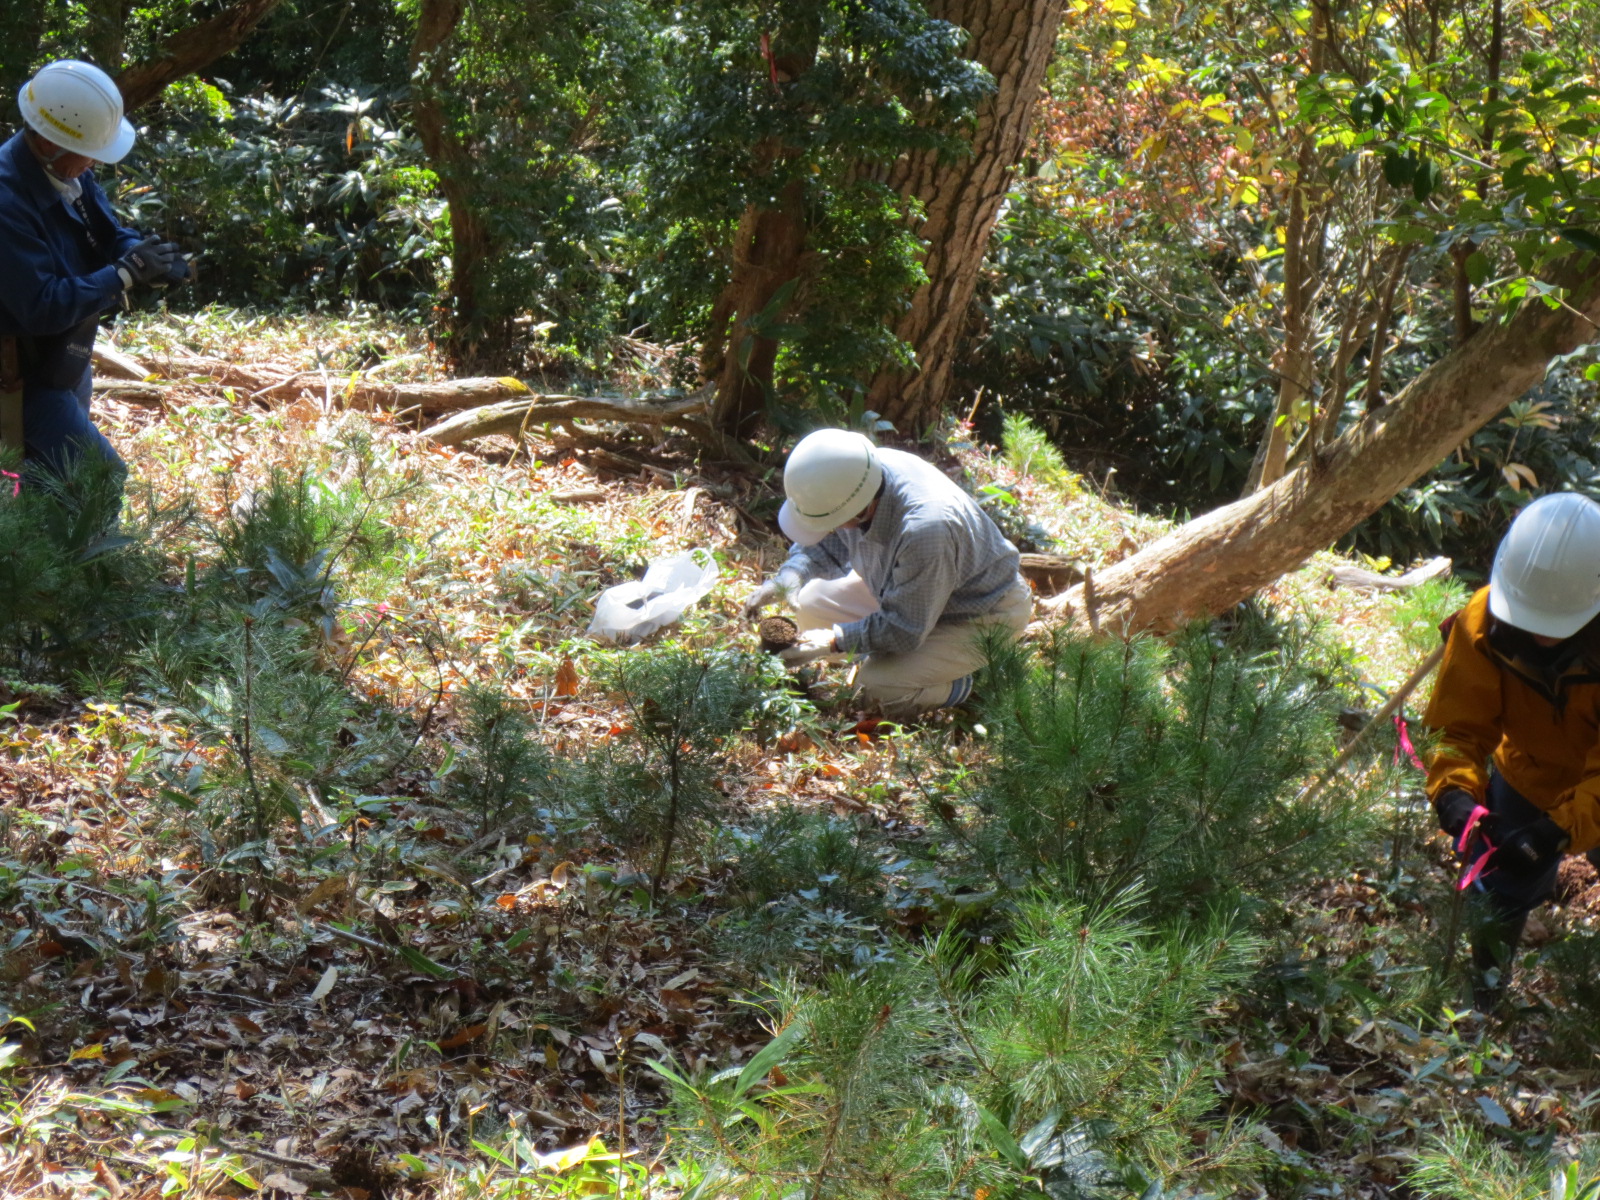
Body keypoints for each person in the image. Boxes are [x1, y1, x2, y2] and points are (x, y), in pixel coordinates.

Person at [1424, 491, 1600, 1011]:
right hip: (1526, 771)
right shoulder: (1485, 621)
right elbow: (1457, 728)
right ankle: (1483, 1001)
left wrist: (1560, 830)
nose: (1542, 636)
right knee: (1502, 882)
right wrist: (1453, 792)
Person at [743, 428, 1033, 719]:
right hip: (903, 587)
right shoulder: (858, 474)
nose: (832, 529)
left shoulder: (926, 529)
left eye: (834, 523)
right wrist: (790, 576)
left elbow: (905, 628)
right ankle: (897, 662)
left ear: (861, 511)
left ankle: (967, 683)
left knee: (875, 689)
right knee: (810, 605)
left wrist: (833, 641)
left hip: (980, 612)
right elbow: (827, 539)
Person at [0, 59, 190, 475]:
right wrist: (123, 274)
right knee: (100, 478)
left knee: (52, 482)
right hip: (20, 377)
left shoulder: (66, 170)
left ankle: (51, 540)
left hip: (65, 355)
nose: (95, 165)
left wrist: (145, 255)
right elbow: (41, 305)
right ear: (50, 142)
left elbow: (104, 232)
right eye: (90, 154)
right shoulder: (6, 202)